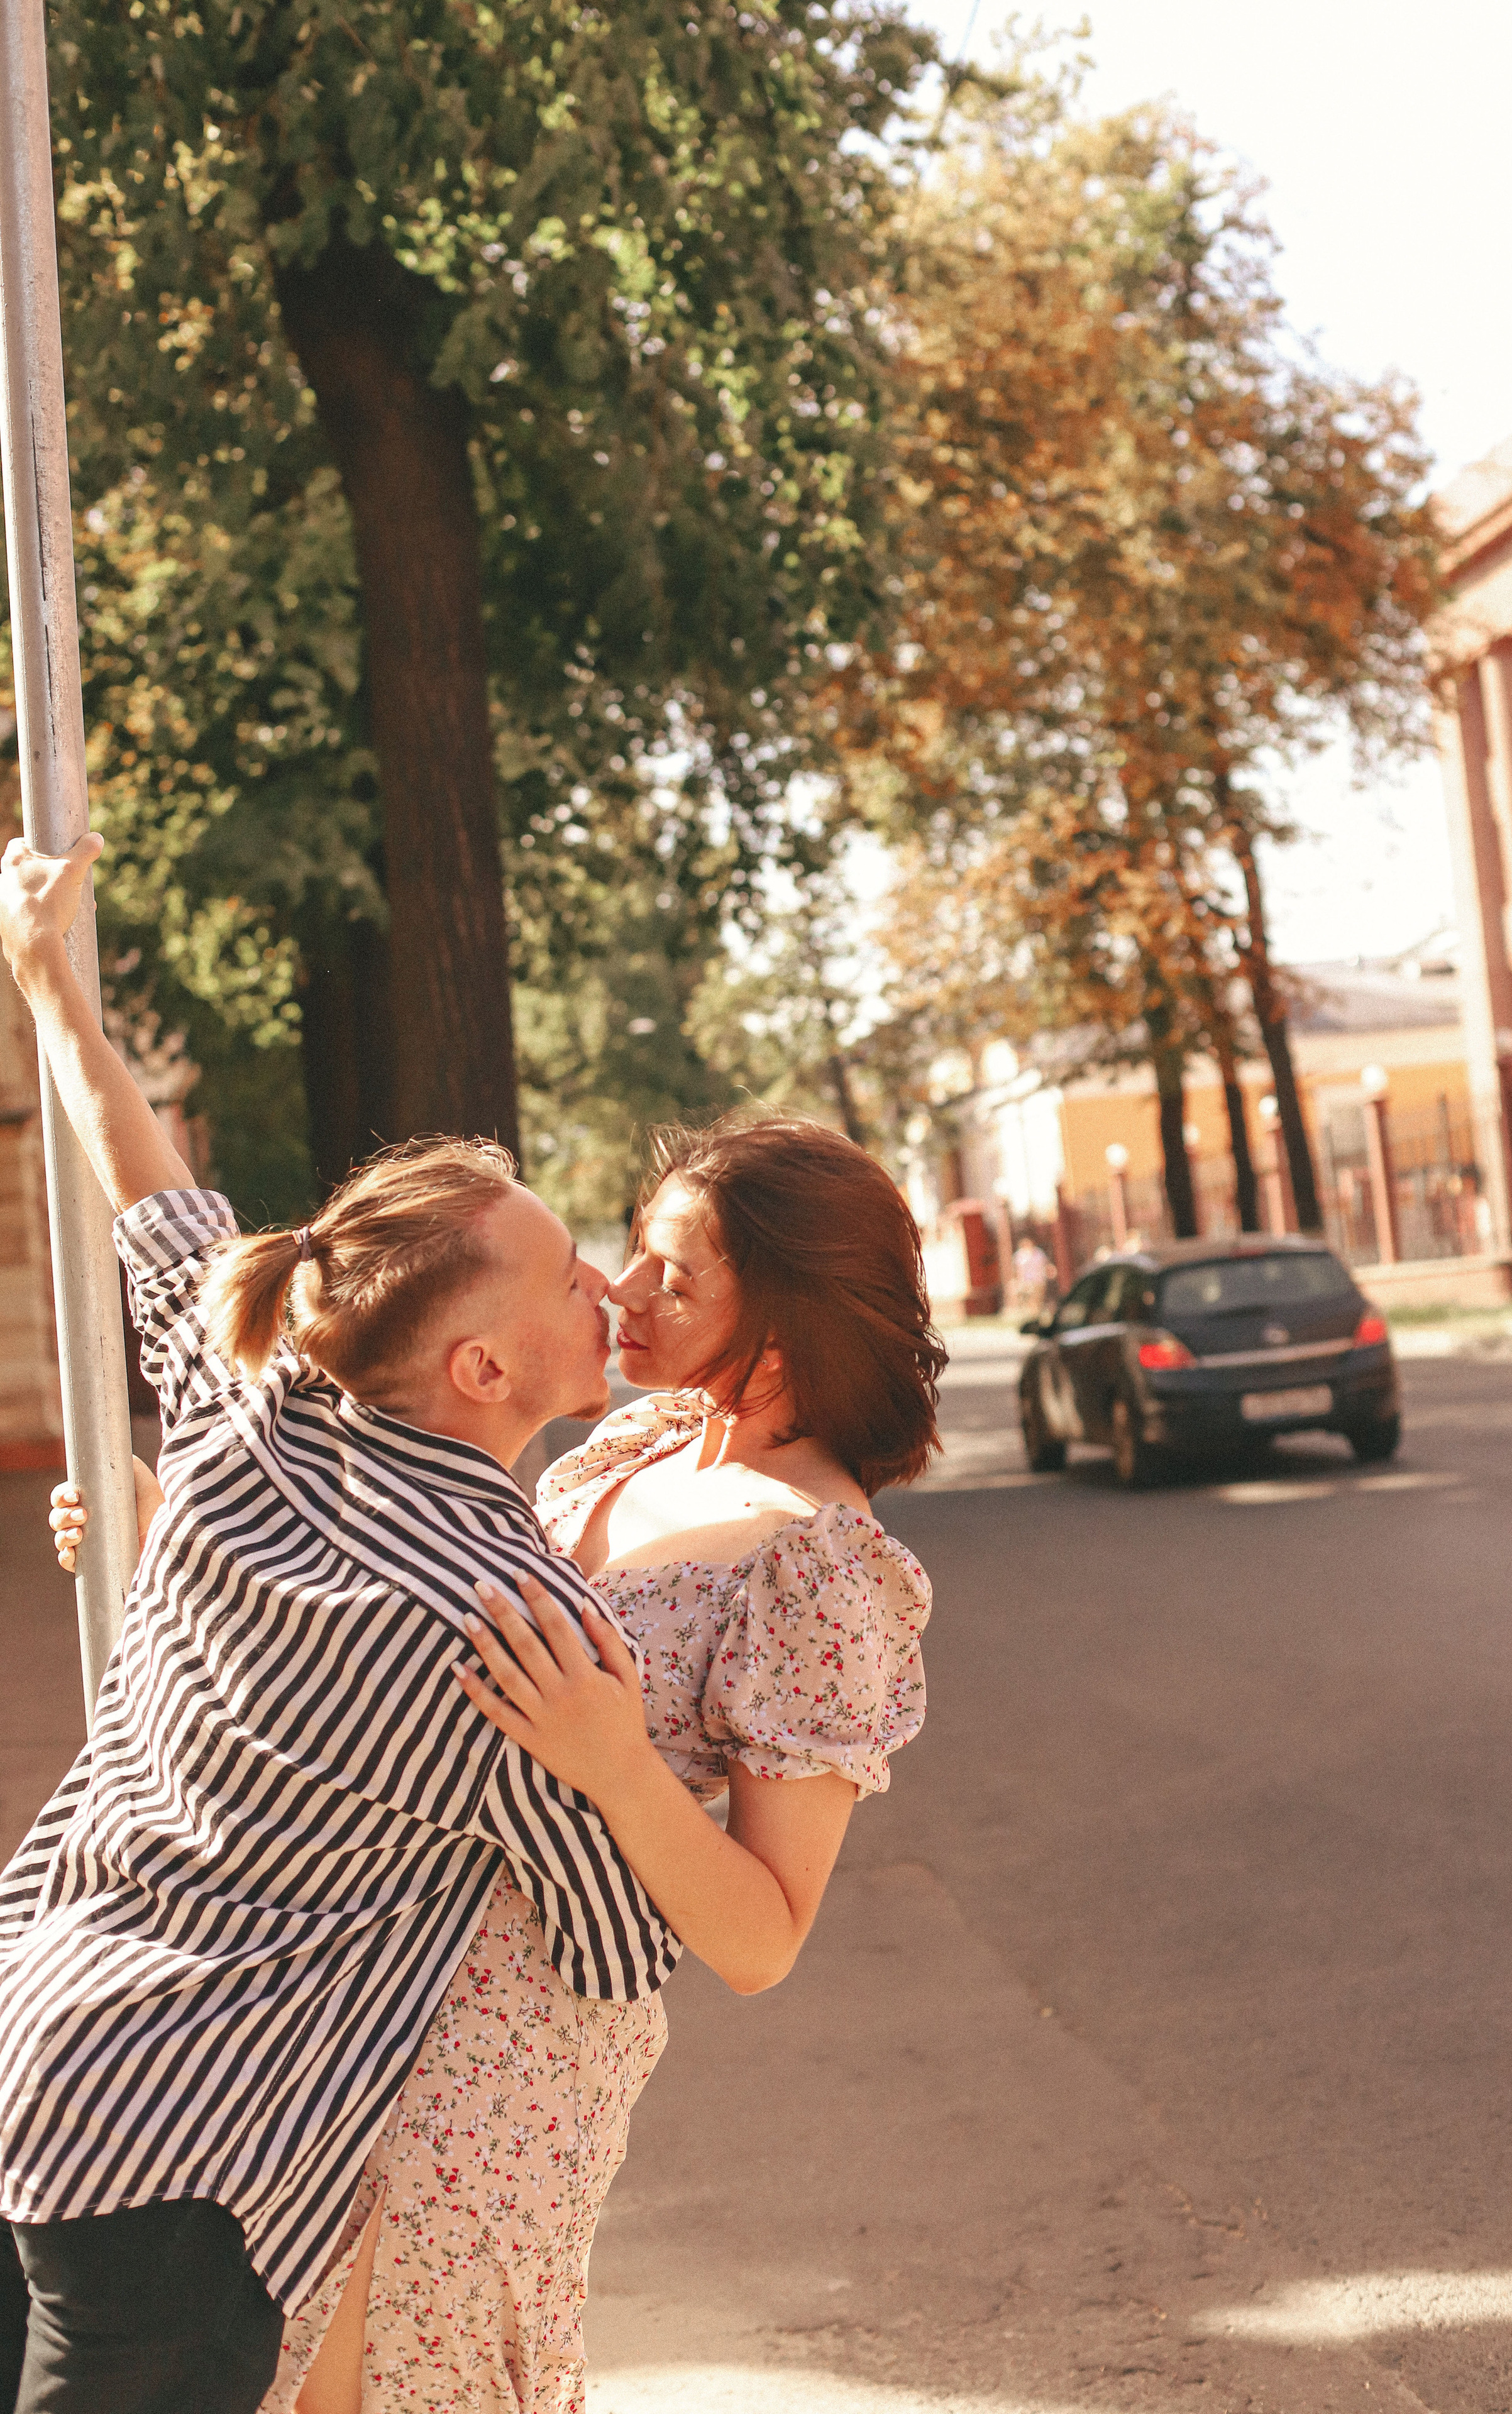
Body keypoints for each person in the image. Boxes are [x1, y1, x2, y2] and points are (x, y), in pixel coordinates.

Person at [54, 1118, 944, 2413]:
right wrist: (172, 1546)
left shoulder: (821, 1562)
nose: (622, 1293)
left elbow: (763, 1938)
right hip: (337, 1984)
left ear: (793, 1320)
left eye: (675, 1280)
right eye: (636, 1256)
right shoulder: (629, 1448)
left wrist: (619, 1769)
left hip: (497, 2057)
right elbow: (391, 1643)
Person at [0, 834, 680, 2414]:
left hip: (36, 2043)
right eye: (560, 1272)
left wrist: (52, 992)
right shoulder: (507, 1621)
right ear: (483, 1377)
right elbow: (613, 1937)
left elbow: (153, 1201)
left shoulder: (254, 1413)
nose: (601, 1282)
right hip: (177, 2169)